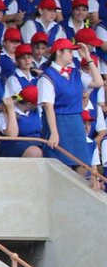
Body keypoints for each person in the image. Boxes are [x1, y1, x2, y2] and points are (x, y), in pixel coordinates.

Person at [40, 39, 103, 169]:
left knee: (82, 163)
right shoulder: (47, 76)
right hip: (59, 121)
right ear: (59, 53)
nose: (72, 55)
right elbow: (48, 106)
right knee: (60, 164)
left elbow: (98, 83)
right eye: (69, 51)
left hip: (75, 121)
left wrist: (88, 58)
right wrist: (54, 132)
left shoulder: (75, 73)